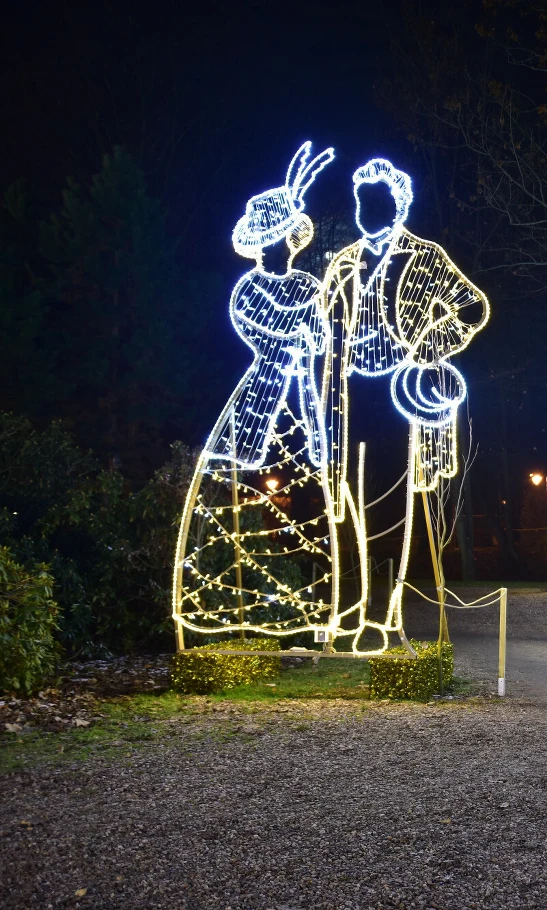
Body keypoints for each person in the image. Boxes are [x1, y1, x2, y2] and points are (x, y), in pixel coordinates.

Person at [319, 158, 490, 651]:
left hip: (400, 390)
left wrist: (431, 344)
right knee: (345, 503)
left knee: (391, 506)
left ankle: (381, 617)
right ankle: (349, 610)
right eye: (361, 201)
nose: (365, 210)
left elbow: (473, 307)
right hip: (348, 394)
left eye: (376, 201)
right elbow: (324, 329)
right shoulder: (343, 262)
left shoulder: (425, 256)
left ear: (398, 205)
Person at [174, 142, 339, 638]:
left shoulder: (308, 286)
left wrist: (309, 330)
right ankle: (223, 596)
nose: (277, 246)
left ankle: (317, 603)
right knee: (233, 481)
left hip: (303, 398)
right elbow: (270, 328)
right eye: (269, 239)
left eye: (281, 237)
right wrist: (301, 328)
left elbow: (318, 340)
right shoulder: (248, 289)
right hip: (260, 395)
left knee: (311, 487)